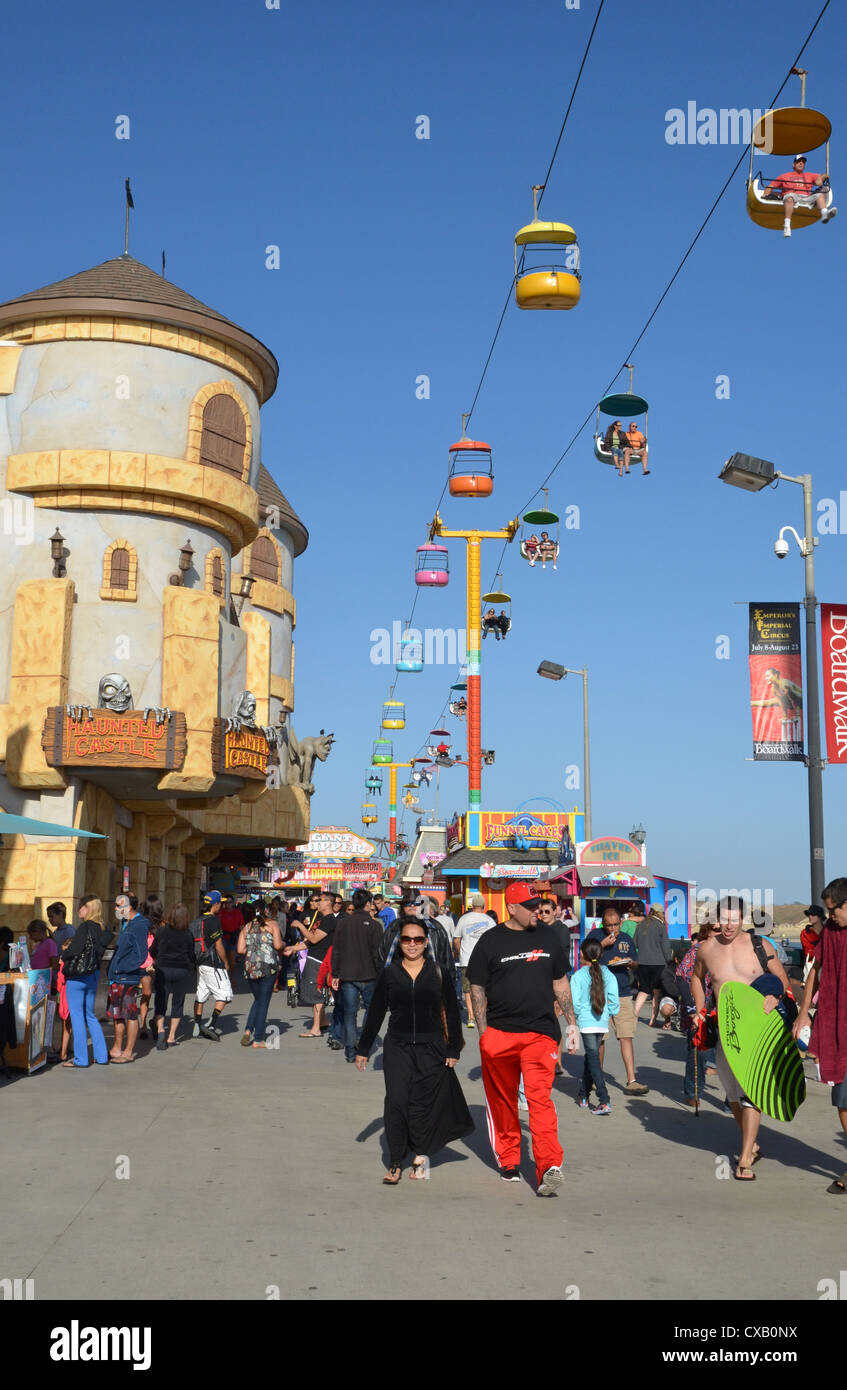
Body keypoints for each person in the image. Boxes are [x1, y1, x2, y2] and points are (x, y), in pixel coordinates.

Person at [467, 881, 577, 1196]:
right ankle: (510, 1160)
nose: (536, 911)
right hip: (499, 1034)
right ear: (512, 907)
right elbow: (477, 987)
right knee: (503, 1102)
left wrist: (571, 1024)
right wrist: (484, 1032)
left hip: (540, 1033)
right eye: (529, 907)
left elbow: (560, 982)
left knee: (539, 1099)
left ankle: (548, 1166)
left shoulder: (549, 937)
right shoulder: (490, 941)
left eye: (538, 906)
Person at [355, 918, 472, 1183]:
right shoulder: (390, 973)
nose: (412, 945)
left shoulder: (438, 971)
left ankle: (420, 1152)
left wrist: (453, 1047)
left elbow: (452, 1012)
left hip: (432, 1048)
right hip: (397, 1046)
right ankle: (396, 1161)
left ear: (426, 943)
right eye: (406, 939)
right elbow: (375, 1012)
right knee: (396, 1101)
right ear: (399, 942)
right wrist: (363, 1048)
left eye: (417, 939)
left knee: (423, 1103)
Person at [693, 895, 792, 1180]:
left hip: (756, 1030)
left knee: (751, 1093)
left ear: (743, 920)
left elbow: (783, 980)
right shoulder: (706, 950)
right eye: (724, 919)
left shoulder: (760, 946)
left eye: (734, 919)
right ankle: (753, 1143)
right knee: (732, 1095)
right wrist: (700, 1009)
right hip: (725, 1030)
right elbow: (697, 978)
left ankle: (745, 1157)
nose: (728, 925)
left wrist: (775, 996)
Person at [794, 877, 847, 1192]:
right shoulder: (830, 932)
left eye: (834, 911)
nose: (830, 917)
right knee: (842, 1099)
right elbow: (815, 968)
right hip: (839, 1028)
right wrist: (803, 1013)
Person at [583, 909, 649, 1095]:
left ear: (621, 922)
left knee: (626, 1035)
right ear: (603, 924)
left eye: (615, 925)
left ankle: (632, 1080)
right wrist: (601, 945)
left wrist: (630, 963)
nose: (612, 929)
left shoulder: (626, 938)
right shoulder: (595, 936)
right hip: (599, 991)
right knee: (600, 1038)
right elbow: (584, 960)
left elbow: (636, 962)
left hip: (623, 992)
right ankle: (597, 1078)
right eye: (608, 925)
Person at [331, 889, 383, 1062]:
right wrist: (381, 974)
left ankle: (350, 1052)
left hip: (347, 975)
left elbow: (336, 951)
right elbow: (378, 954)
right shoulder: (375, 926)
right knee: (371, 1010)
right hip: (369, 975)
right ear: (368, 904)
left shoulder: (343, 923)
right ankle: (364, 1043)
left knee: (349, 1014)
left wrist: (335, 974)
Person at [60, 896, 110, 1069]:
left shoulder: (85, 927)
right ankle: (101, 1056)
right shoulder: (102, 928)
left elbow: (74, 950)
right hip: (93, 975)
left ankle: (81, 1059)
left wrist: (64, 953)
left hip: (77, 977)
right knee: (90, 1015)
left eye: (80, 907)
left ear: (87, 908)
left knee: (77, 1016)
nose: (78, 910)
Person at [571, 938, 620, 1113]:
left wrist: (575, 1018)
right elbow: (614, 999)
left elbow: (575, 1003)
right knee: (590, 1058)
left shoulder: (577, 976)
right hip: (602, 1022)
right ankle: (583, 1094)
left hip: (585, 1022)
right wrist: (610, 1011)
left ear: (581, 954)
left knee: (593, 1059)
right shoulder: (608, 973)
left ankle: (604, 1099)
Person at [676, 922, 716, 1107]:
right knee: (696, 1050)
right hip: (697, 1008)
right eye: (714, 930)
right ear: (706, 933)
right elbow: (681, 978)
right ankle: (693, 1091)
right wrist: (692, 1008)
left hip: (721, 1007)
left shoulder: (728, 951)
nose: (718, 933)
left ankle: (732, 1099)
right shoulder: (697, 951)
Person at [287, 891, 336, 1038]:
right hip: (314, 958)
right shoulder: (322, 919)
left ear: (328, 902)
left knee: (316, 994)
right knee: (314, 992)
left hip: (319, 961)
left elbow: (314, 939)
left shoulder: (329, 920)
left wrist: (300, 926)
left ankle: (315, 1029)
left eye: (320, 900)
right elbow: (309, 942)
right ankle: (323, 1022)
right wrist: (293, 948)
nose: (317, 903)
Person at [108, 894, 150, 1063]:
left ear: (129, 907)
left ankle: (128, 1051)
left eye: (118, 905)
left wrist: (123, 968)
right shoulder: (127, 923)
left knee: (130, 1014)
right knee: (118, 1014)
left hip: (127, 977)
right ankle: (118, 1048)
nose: (116, 909)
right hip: (118, 976)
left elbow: (141, 954)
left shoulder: (138, 925)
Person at [150, 903, 197, 1049]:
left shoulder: (162, 931)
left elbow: (152, 951)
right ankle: (171, 1037)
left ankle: (160, 1029)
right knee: (178, 1003)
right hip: (181, 971)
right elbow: (191, 955)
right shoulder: (188, 934)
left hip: (163, 969)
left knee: (160, 1001)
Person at [238, 903, 284, 1048]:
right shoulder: (273, 925)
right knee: (263, 1002)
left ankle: (247, 1030)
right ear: (267, 912)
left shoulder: (246, 927)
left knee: (258, 1000)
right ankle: (258, 1039)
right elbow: (277, 946)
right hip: (268, 966)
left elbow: (240, 949)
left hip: (250, 967)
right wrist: (283, 944)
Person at [191, 890, 232, 1041]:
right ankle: (211, 1024)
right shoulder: (213, 921)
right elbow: (219, 945)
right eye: (220, 903)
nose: (221, 905)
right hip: (213, 963)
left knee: (201, 994)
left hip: (200, 963)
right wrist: (226, 962)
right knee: (226, 993)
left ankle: (196, 1025)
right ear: (215, 904)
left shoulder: (196, 921)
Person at [765, 153, 836, 237]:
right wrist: (766, 194)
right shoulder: (784, 176)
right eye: (799, 161)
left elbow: (824, 175)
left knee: (819, 195)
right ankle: (787, 226)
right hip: (792, 196)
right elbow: (771, 186)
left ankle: (825, 214)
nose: (801, 163)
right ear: (793, 164)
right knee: (790, 197)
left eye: (803, 162)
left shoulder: (809, 175)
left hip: (806, 198)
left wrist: (821, 178)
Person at [453, 893, 496, 1024]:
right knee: (483, 988)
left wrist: (461, 952)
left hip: (466, 960)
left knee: (467, 990)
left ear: (472, 906)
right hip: (484, 961)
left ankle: (471, 1017)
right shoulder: (489, 920)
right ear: (483, 906)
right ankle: (482, 1014)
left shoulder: (463, 919)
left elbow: (456, 940)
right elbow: (495, 941)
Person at [633, 903, 673, 1025]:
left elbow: (635, 944)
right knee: (656, 992)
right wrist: (669, 961)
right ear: (660, 913)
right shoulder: (660, 926)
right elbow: (666, 948)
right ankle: (652, 1019)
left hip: (642, 962)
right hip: (658, 963)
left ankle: (634, 1014)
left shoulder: (640, 925)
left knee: (644, 990)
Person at [138, 894, 164, 1040]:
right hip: (144, 964)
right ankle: (143, 1025)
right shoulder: (141, 923)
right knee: (147, 993)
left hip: (157, 963)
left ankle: (154, 1021)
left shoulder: (161, 925)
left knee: (158, 994)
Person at [220, 895, 245, 977]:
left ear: (233, 903)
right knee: (222, 960)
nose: (228, 904)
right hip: (222, 938)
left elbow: (241, 926)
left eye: (229, 902)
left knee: (232, 961)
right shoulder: (220, 913)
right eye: (226, 902)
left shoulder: (237, 912)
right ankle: (224, 978)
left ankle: (232, 977)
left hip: (233, 938)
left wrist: (243, 939)